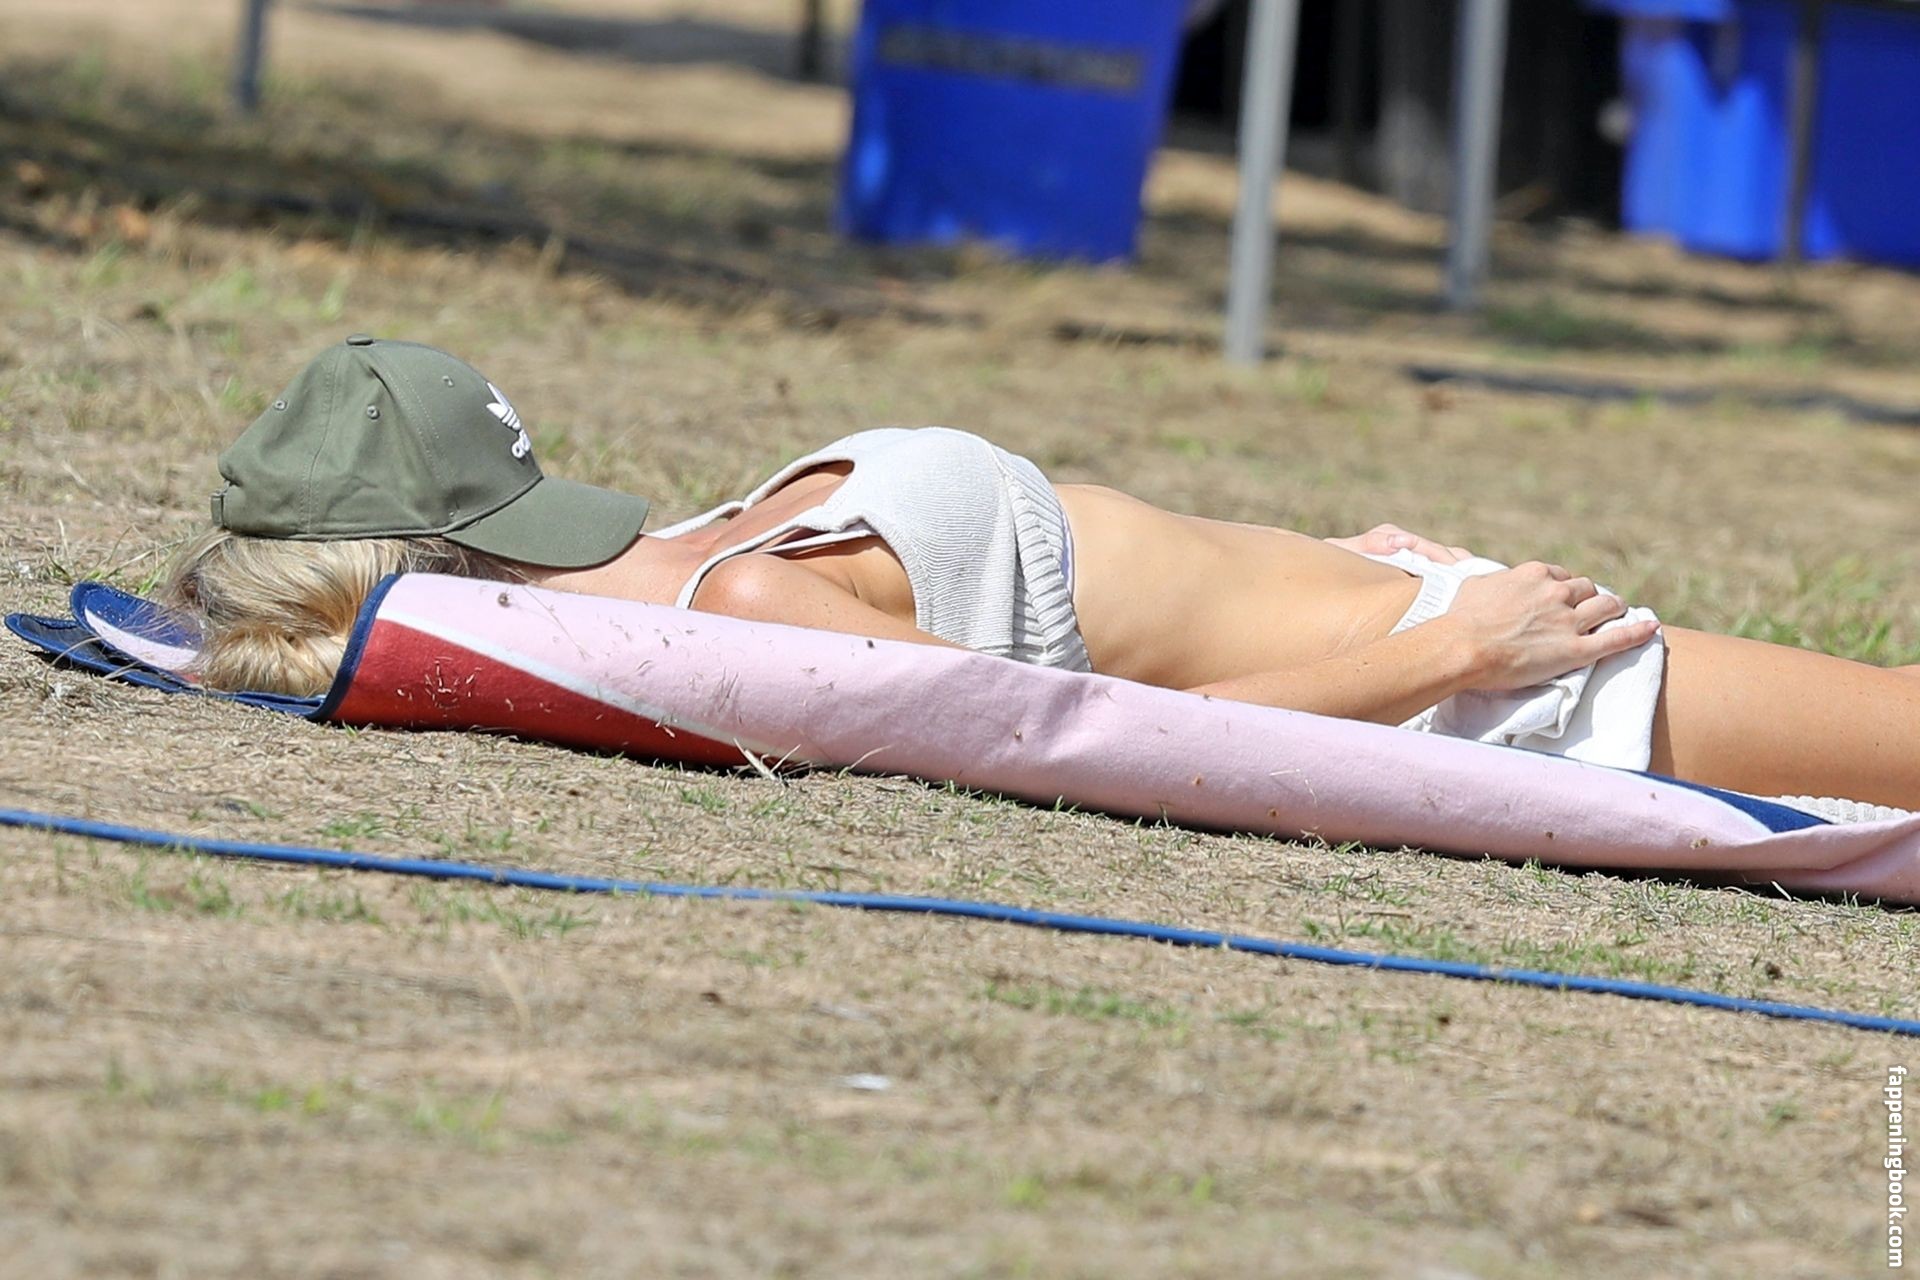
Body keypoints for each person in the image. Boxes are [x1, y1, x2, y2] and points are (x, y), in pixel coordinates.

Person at [166, 337, 1920, 809]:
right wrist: (1458, 649)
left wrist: (1346, 565)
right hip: (1479, 691)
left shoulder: (677, 561)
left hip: (1422, 618)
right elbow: (1119, 739)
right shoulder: (744, 612)